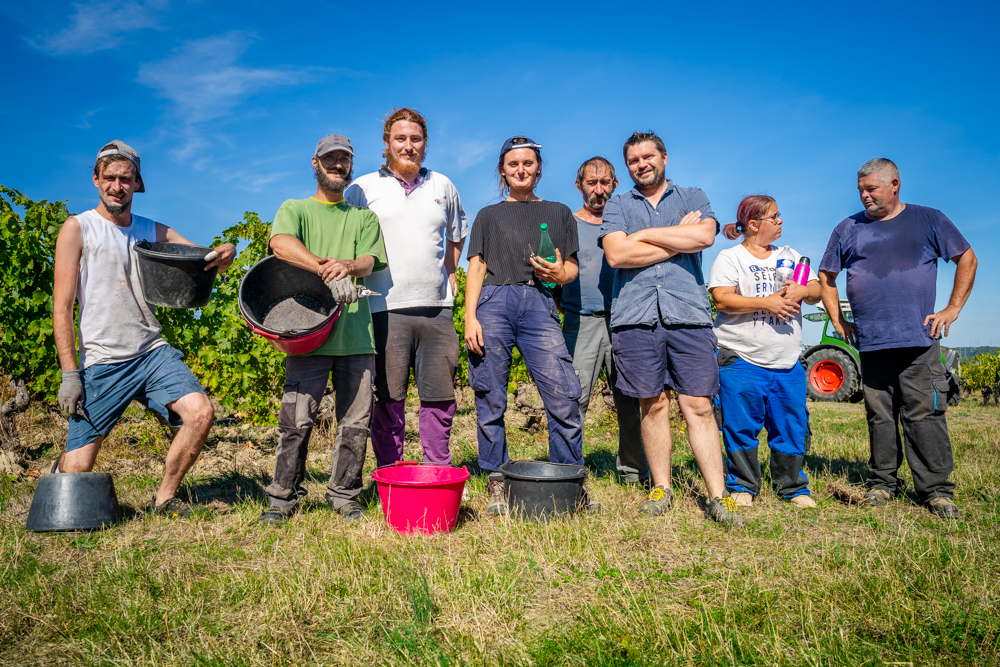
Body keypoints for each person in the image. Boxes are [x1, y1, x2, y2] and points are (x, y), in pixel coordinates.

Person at [51, 140, 236, 517]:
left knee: (200, 413)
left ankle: (165, 499)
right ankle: (58, 468)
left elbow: (206, 259)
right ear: (96, 180)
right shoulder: (78, 228)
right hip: (103, 361)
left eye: (125, 178)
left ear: (137, 183)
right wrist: (71, 374)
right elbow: (62, 307)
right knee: (76, 472)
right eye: (110, 178)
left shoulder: (152, 230)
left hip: (151, 352)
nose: (117, 186)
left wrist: (226, 251)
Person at [819, 158, 977, 520]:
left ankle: (936, 490)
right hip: (871, 342)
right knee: (879, 416)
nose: (864, 196)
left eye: (870, 188)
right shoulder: (847, 228)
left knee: (924, 413)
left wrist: (952, 308)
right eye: (860, 189)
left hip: (919, 339)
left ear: (895, 184)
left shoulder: (928, 219)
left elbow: (967, 258)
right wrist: (837, 319)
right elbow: (826, 276)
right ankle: (881, 484)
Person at [600, 131, 744, 527]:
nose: (641, 164)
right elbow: (616, 253)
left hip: (688, 314)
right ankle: (662, 487)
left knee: (697, 404)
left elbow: (705, 235)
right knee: (652, 403)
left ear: (664, 157)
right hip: (635, 315)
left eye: (648, 156)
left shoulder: (692, 196)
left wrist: (642, 235)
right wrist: (678, 239)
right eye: (633, 160)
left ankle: (718, 495)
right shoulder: (617, 203)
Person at [259, 133, 388, 524]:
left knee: (356, 422)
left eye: (343, 159)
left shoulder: (363, 217)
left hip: (355, 335)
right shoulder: (295, 208)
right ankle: (282, 498)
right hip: (306, 333)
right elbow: (280, 243)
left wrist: (346, 267)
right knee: (296, 420)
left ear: (350, 166)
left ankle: (345, 494)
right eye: (329, 159)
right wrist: (322, 268)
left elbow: (369, 259)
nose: (337, 165)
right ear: (315, 164)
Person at [465, 136, 590, 516]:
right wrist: (470, 316)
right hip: (493, 303)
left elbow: (571, 268)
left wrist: (559, 273)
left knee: (564, 395)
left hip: (539, 304)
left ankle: (569, 480)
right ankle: (497, 481)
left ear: (538, 168)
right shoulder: (488, 215)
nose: (521, 169)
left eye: (528, 163)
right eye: (513, 164)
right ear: (503, 170)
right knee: (490, 397)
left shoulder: (559, 211)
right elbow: (477, 266)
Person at [345, 108, 468, 467]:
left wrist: (451, 272)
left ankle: (436, 470)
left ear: (425, 144)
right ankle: (390, 475)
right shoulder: (363, 188)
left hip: (437, 310)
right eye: (401, 139)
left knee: (440, 400)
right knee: (388, 401)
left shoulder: (443, 186)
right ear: (387, 144)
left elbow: (456, 236)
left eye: (416, 139)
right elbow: (345, 236)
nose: (408, 146)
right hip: (384, 309)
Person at [709, 195, 820, 508]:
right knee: (740, 425)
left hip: (787, 361)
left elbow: (815, 292)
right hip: (742, 357)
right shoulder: (731, 258)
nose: (781, 220)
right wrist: (767, 302)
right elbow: (722, 299)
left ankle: (793, 487)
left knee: (791, 425)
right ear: (754, 224)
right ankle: (743, 485)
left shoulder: (790, 255)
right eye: (774, 216)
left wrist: (804, 290)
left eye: (779, 215)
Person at [561, 156, 649, 484]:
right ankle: (569, 472)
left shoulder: (628, 224)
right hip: (580, 322)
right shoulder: (566, 224)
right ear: (579, 185)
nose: (598, 190)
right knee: (573, 398)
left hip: (626, 320)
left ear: (615, 184)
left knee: (631, 398)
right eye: (591, 183)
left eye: (605, 182)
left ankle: (634, 473)